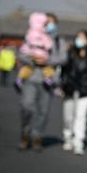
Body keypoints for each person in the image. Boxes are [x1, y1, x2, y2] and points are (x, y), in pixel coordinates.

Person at [16, 13, 67, 151]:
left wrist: (47, 60)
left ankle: (37, 135)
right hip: (31, 77)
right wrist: (33, 59)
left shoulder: (58, 41)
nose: (48, 26)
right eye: (46, 23)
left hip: (48, 80)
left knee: (43, 111)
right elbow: (21, 54)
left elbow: (63, 58)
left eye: (51, 23)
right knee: (26, 105)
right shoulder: (31, 36)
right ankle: (25, 133)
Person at [60, 30, 87, 155]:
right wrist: (63, 85)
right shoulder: (70, 53)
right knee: (68, 117)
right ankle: (67, 137)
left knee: (81, 117)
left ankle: (78, 142)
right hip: (70, 89)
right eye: (78, 37)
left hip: (85, 91)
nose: (79, 40)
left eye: (82, 38)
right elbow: (64, 70)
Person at [16, 12, 55, 91]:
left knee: (28, 68)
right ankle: (47, 79)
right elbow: (48, 44)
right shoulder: (43, 34)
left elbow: (27, 45)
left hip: (36, 55)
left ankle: (19, 79)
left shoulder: (30, 33)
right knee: (46, 69)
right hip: (39, 56)